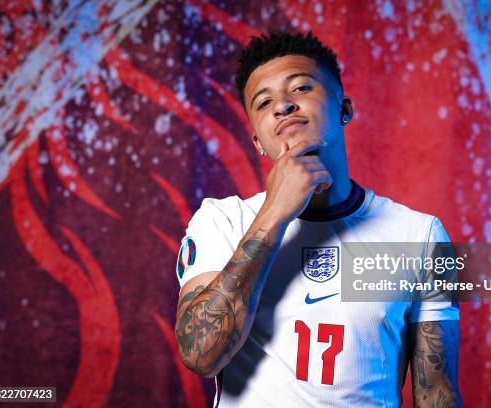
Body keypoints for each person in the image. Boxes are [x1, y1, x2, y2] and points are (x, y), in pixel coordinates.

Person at [174, 31, 462, 407]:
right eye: (263, 103)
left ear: (344, 108)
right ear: (258, 142)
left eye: (301, 88)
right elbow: (200, 354)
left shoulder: (420, 235)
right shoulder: (221, 221)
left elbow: (436, 392)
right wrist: (276, 213)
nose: (282, 106)